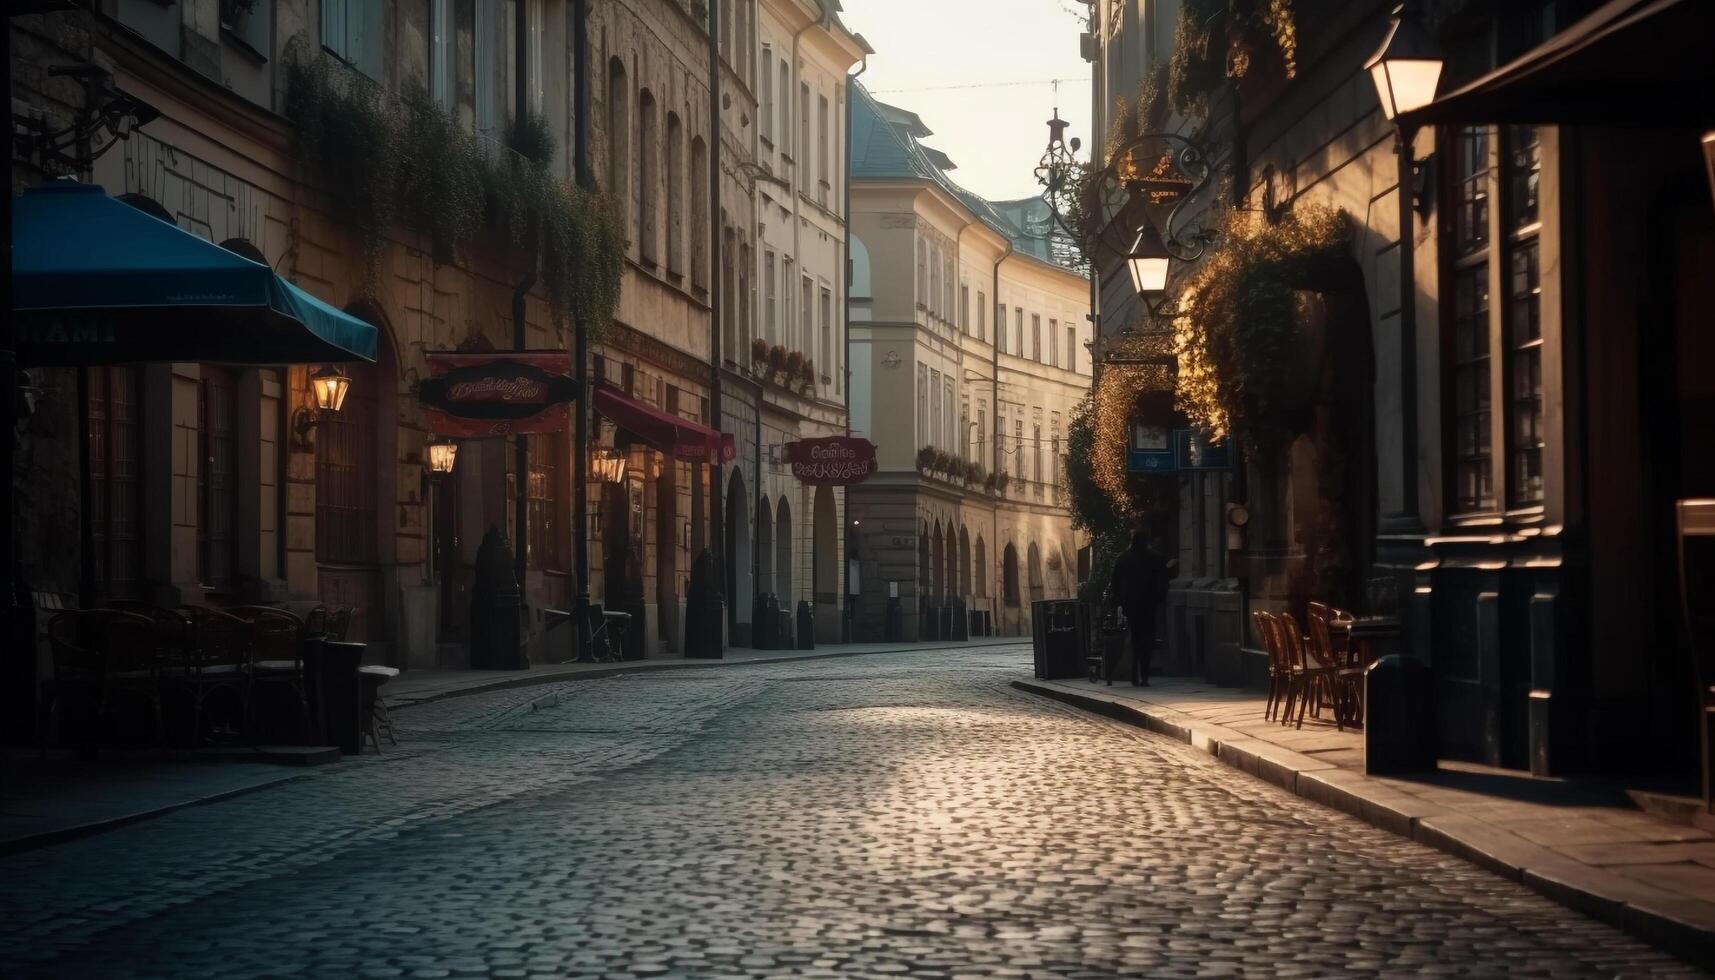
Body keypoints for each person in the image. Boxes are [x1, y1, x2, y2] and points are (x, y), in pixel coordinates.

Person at [1110, 531, 1172, 685]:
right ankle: (1144, 674)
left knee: (1136, 639)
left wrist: (1119, 601)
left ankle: (1134, 674)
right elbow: (1164, 581)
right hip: (1149, 605)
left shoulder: (1123, 558)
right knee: (1148, 640)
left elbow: (1115, 582)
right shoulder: (1155, 559)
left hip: (1132, 605)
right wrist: (1159, 598)